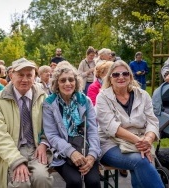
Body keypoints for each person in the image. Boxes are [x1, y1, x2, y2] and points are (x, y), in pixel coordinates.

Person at [0, 58, 53, 188]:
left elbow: (50, 127)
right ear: (11, 75)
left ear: (35, 77)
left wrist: (44, 143)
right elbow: (0, 136)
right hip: (11, 150)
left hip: (36, 149)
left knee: (42, 179)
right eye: (20, 75)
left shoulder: (43, 97)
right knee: (21, 182)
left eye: (29, 75)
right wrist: (16, 160)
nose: (25, 79)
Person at [96, 60, 164, 188]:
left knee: (141, 162)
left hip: (141, 142)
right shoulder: (103, 97)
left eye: (125, 74)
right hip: (111, 143)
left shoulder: (143, 95)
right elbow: (112, 127)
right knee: (141, 161)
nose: (121, 77)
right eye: (116, 75)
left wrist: (148, 139)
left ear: (130, 76)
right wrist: (140, 142)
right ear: (110, 78)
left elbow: (152, 121)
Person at [43, 61, 101, 188]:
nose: (68, 83)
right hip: (62, 151)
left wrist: (92, 155)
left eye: (71, 79)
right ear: (56, 84)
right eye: (63, 80)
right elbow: (52, 135)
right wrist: (71, 152)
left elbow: (92, 131)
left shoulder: (85, 100)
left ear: (76, 82)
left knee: (94, 182)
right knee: (75, 181)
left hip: (85, 148)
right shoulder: (49, 103)